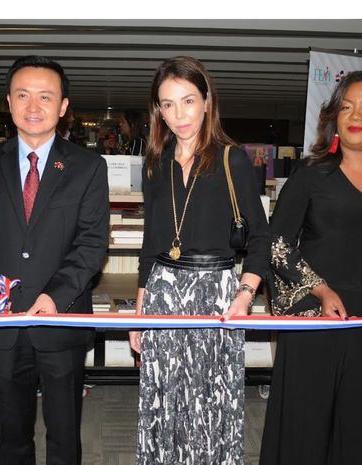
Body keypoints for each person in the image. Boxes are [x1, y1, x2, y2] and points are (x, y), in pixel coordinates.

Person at [259, 70, 362, 465]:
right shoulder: (311, 174)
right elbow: (278, 244)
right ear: (334, 116)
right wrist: (321, 289)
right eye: (346, 106)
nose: (356, 115)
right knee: (305, 427)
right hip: (317, 318)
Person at [0, 55, 109, 465]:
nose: (33, 107)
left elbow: (92, 244)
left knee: (64, 437)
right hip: (3, 322)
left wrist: (55, 296)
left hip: (62, 319)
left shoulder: (89, 166)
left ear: (62, 107)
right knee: (12, 436)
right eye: (23, 95)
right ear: (9, 101)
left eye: (45, 97)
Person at [129, 56, 270, 465]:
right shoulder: (155, 163)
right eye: (167, 104)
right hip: (163, 293)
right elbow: (151, 241)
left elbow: (261, 237)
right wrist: (139, 307)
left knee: (211, 403)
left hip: (217, 295)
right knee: (165, 402)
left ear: (207, 101)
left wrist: (245, 295)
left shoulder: (232, 160)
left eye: (188, 101)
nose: (179, 115)